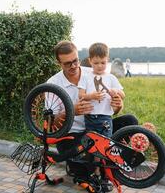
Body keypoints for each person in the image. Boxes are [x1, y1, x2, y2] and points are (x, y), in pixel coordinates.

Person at [47, 40, 138, 191]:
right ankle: (95, 168)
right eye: (67, 63)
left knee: (130, 121)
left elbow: (112, 111)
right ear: (59, 63)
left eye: (75, 60)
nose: (73, 66)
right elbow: (51, 124)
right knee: (83, 170)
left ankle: (109, 165)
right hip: (74, 136)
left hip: (99, 126)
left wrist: (118, 106)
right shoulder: (53, 84)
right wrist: (71, 112)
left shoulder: (95, 71)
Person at [78, 42, 125, 178]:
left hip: (105, 118)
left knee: (106, 145)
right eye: (96, 63)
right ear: (90, 60)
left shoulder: (111, 78)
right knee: (91, 146)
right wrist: (91, 96)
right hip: (90, 118)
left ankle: (105, 173)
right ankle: (93, 171)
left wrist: (115, 92)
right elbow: (81, 95)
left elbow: (123, 94)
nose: (100, 66)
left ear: (107, 61)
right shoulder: (86, 77)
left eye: (103, 63)